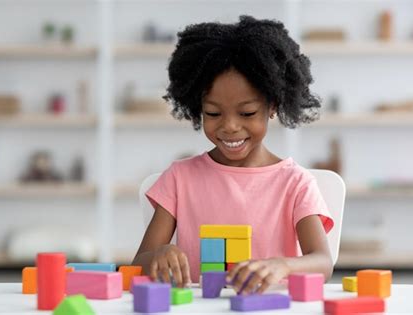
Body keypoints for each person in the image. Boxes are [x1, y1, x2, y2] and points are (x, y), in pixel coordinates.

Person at [132, 15, 334, 295]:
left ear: (273, 105)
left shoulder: (295, 183)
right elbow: (137, 264)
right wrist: (158, 256)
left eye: (247, 113)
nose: (229, 126)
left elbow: (323, 262)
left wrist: (283, 266)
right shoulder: (180, 178)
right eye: (213, 113)